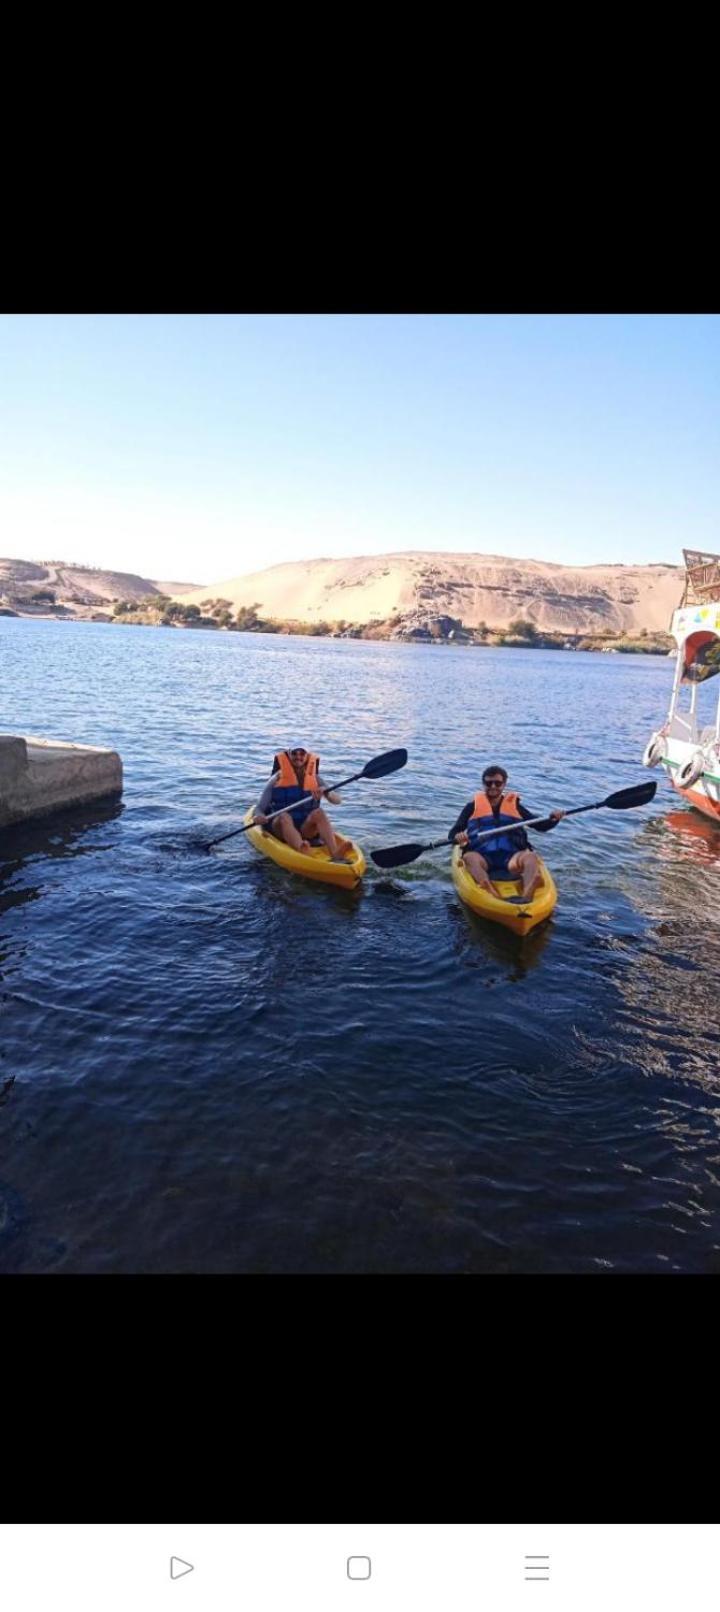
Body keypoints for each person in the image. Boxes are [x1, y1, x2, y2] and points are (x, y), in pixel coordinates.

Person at [447, 764, 565, 900]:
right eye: (488, 783)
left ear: (504, 784)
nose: (493, 786)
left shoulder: (515, 806)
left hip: (511, 858)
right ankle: (489, 890)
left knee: (530, 857)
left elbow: (540, 826)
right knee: (469, 858)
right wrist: (458, 836)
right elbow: (454, 832)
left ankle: (527, 894)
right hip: (483, 858)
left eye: (497, 783)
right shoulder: (471, 807)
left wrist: (553, 819)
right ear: (483, 784)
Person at [253, 746, 353, 862]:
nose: (298, 757)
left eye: (302, 754)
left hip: (306, 829)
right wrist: (258, 816)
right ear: (289, 756)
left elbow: (337, 801)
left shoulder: (315, 778)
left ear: (307, 756)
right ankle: (302, 849)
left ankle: (335, 853)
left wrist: (326, 793)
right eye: (294, 754)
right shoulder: (276, 778)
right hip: (281, 828)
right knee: (284, 816)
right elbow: (259, 808)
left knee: (319, 813)